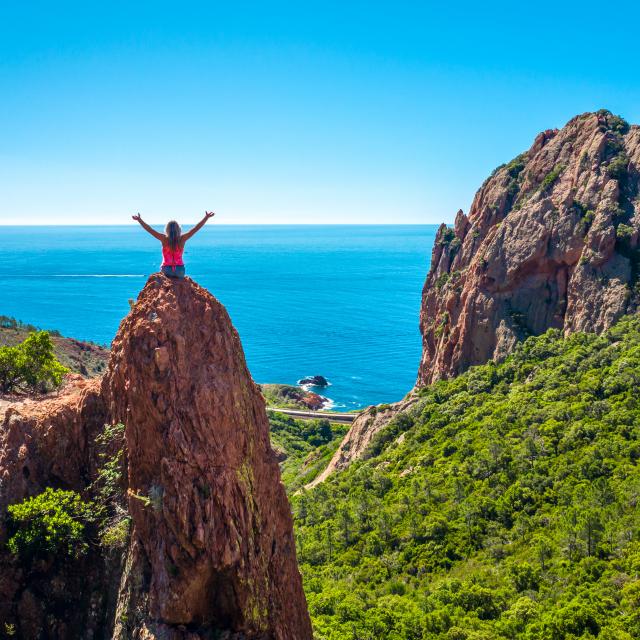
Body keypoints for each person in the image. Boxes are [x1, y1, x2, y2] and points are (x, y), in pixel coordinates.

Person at [132, 211, 215, 279]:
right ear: (179, 229)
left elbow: (150, 230)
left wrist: (139, 220)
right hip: (180, 270)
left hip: (166, 270)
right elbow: (196, 229)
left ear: (167, 229)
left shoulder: (164, 239)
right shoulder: (182, 239)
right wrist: (206, 217)